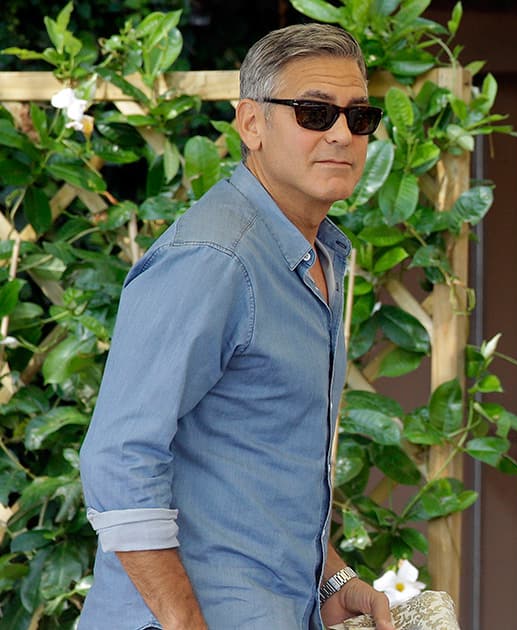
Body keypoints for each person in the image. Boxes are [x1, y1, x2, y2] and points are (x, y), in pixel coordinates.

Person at [78, 23, 394, 630]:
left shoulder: (314, 255)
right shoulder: (217, 259)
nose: (340, 134)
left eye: (359, 117)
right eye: (313, 112)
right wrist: (185, 623)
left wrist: (331, 579)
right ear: (251, 124)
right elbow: (118, 458)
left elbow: (255, 472)